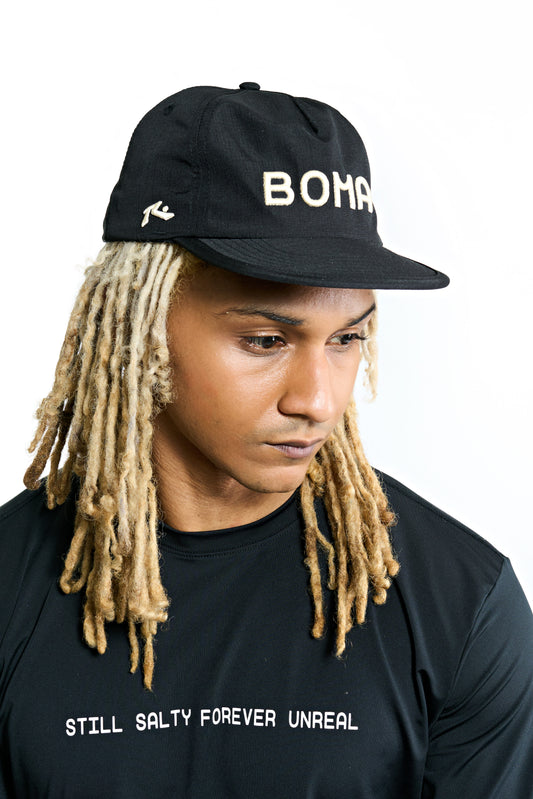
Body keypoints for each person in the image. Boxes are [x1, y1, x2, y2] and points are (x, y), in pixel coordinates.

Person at [0, 82, 531, 798]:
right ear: (137, 324)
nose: (316, 400)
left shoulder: (461, 604)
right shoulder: (11, 588)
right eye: (265, 340)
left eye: (347, 338)